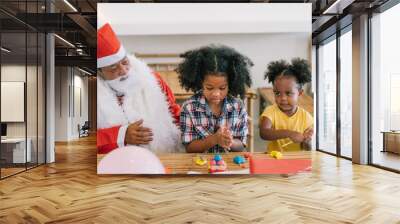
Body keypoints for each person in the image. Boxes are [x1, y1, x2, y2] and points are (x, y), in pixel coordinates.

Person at [96, 23, 182, 154]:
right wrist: (121, 135)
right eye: (113, 68)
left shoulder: (152, 79)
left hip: (162, 157)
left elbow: (173, 112)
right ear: (100, 72)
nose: (124, 71)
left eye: (125, 62)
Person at [177, 45, 252, 153]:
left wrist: (230, 141)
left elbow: (241, 145)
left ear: (230, 84)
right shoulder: (189, 108)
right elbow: (189, 148)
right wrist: (214, 139)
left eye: (222, 88)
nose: (216, 93)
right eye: (209, 88)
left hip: (229, 165)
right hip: (200, 166)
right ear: (200, 82)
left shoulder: (238, 106)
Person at [259, 58, 313, 152]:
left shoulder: (306, 117)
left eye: (288, 93)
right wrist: (289, 133)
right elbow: (264, 133)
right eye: (277, 93)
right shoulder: (270, 111)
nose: (283, 98)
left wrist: (307, 140)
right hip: (275, 160)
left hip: (297, 162)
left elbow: (307, 148)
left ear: (299, 93)